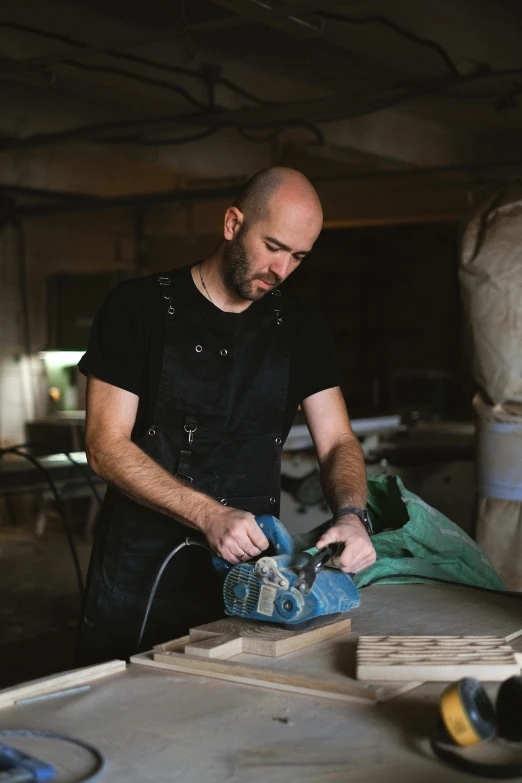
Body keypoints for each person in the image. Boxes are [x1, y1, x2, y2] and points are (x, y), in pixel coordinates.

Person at [76, 167, 376, 664]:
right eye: (274, 246)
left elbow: (339, 442)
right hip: (140, 568)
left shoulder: (300, 326)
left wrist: (351, 516)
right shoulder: (137, 309)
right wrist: (209, 515)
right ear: (233, 224)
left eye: (298, 256)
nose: (281, 270)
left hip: (252, 574)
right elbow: (104, 445)